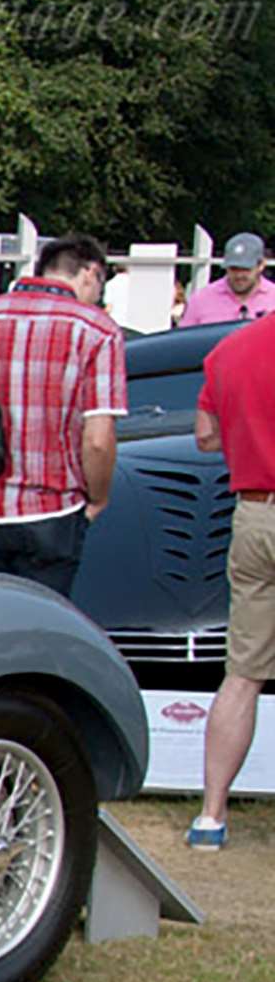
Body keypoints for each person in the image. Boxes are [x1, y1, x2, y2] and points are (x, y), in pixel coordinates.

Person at [0, 233, 125, 600]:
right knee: (40, 632)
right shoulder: (97, 329)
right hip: (53, 508)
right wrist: (99, 497)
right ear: (89, 273)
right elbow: (98, 438)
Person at [184, 311, 275, 850]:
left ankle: (211, 815)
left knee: (242, 674)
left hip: (253, 514)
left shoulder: (229, 350)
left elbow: (204, 437)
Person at [178, 233, 275, 329]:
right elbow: (184, 340)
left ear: (261, 265)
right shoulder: (201, 300)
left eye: (246, 269)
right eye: (233, 269)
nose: (239, 275)